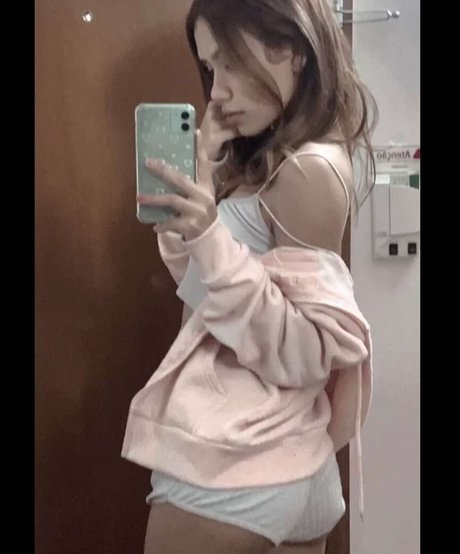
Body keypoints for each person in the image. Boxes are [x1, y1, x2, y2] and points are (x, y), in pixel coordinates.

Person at [123, 1, 377, 552]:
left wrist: (210, 236)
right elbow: (211, 299)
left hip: (236, 461)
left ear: (294, 49)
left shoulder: (309, 171)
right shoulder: (275, 159)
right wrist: (201, 192)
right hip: (282, 457)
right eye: (210, 68)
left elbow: (308, 353)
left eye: (231, 63)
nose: (216, 92)